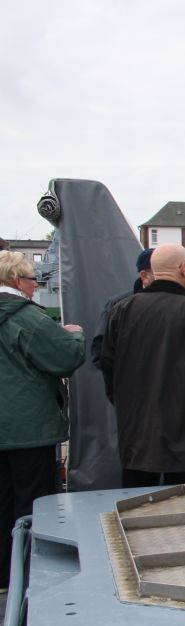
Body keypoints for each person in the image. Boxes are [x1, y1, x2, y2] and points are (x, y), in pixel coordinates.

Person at [100, 244, 185, 488]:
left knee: (137, 503)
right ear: (183, 269)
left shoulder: (122, 310)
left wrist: (124, 405)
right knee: (182, 507)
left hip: (135, 430)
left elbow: (107, 365)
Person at [0, 250, 84, 590]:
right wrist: (74, 334)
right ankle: (29, 576)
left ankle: (4, 576)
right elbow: (64, 357)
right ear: (18, 280)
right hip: (27, 429)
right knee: (32, 505)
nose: (36, 288)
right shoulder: (25, 317)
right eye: (33, 280)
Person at [90, 247, 153, 369]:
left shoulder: (183, 304)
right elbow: (100, 353)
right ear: (144, 275)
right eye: (160, 271)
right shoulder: (118, 305)